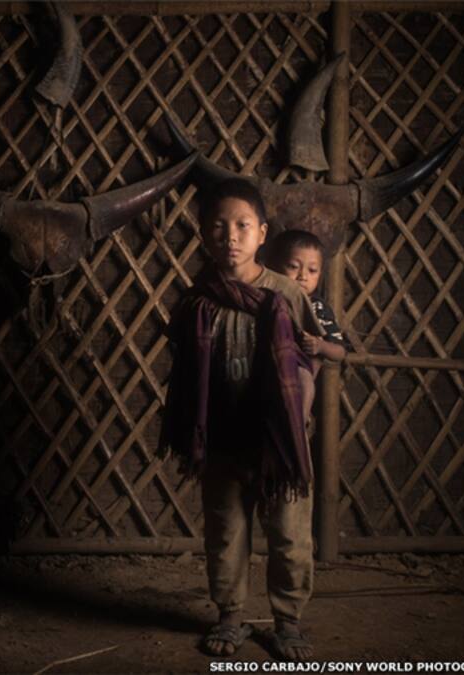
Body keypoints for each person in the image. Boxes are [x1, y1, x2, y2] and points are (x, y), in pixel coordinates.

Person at [159, 179, 327, 661]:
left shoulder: (286, 295)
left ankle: (288, 623)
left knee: (290, 535)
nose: (229, 236)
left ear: (261, 234)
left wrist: (297, 411)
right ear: (203, 234)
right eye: (218, 226)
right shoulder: (199, 296)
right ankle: (229, 616)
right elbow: (187, 368)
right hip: (224, 439)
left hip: (277, 442)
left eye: (242, 226)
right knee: (226, 531)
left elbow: (309, 355)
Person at [266, 229, 351, 436]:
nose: (302, 276)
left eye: (312, 270)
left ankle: (297, 425)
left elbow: (340, 352)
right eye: (293, 267)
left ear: (320, 275)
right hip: (267, 368)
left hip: (299, 369)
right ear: (276, 268)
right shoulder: (269, 299)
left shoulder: (318, 308)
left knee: (304, 382)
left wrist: (320, 345)